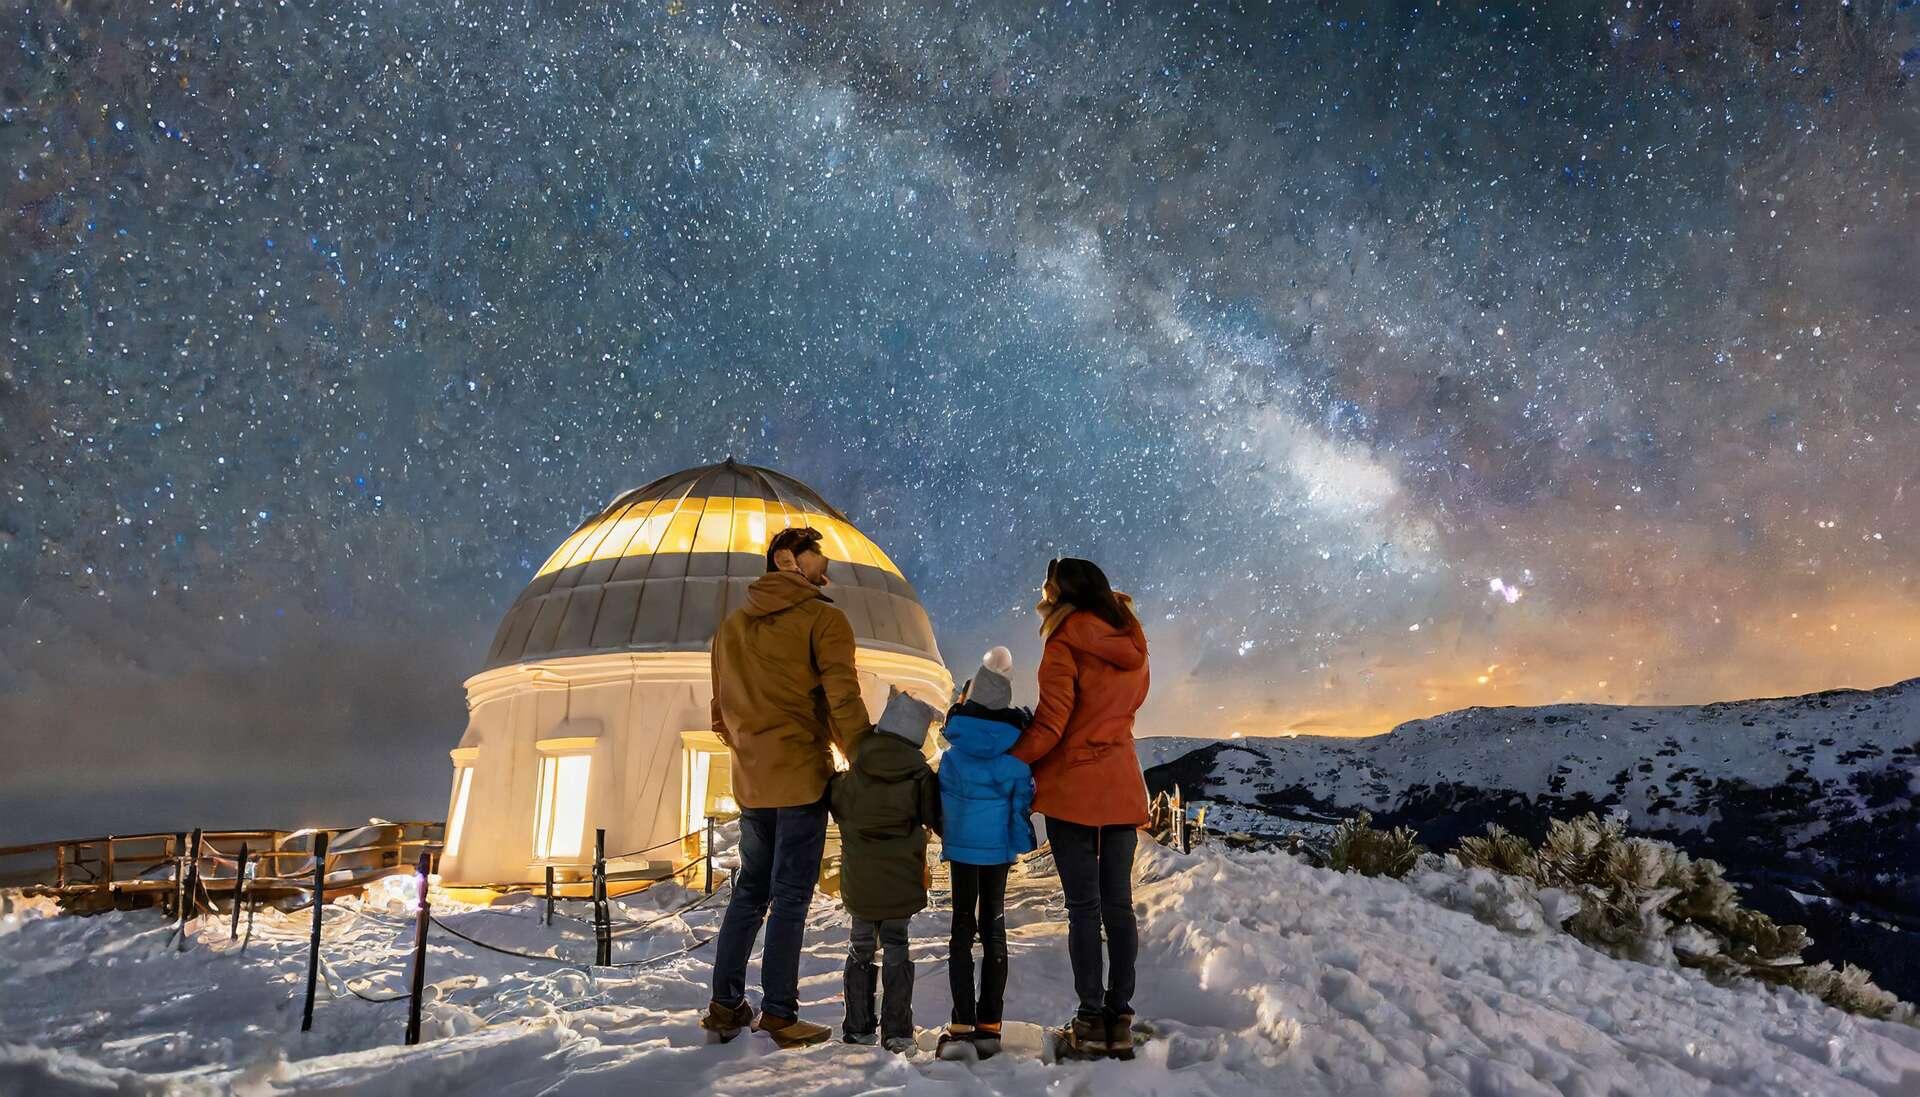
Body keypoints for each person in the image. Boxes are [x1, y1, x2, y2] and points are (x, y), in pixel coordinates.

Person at [701, 526, 872, 1049]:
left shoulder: (729, 627)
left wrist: (751, 754)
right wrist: (868, 761)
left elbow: (719, 714)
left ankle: (725, 1006)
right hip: (800, 778)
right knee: (792, 895)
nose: (827, 565)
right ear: (786, 559)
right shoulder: (823, 618)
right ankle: (779, 1013)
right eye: (818, 555)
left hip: (752, 783)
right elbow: (842, 699)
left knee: (750, 892)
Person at [1009, 557, 1151, 1061]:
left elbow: (1051, 724)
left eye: (1045, 586)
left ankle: (1091, 1020)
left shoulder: (1063, 641)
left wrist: (1008, 762)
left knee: (1084, 908)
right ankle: (1122, 1019)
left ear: (1063, 592)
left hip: (1073, 785)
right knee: (1119, 905)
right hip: (1120, 782)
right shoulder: (1131, 641)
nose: (1040, 595)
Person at [934, 645, 1037, 1062]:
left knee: (961, 929)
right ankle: (990, 1024)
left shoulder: (952, 759)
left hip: (961, 851)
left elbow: (944, 806)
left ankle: (960, 1022)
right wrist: (1015, 843)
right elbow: (1021, 806)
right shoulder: (1015, 761)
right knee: (993, 927)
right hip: (995, 854)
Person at [828, 687, 943, 1053]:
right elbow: (937, 818)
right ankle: (897, 1032)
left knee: (860, 948)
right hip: (900, 881)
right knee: (897, 949)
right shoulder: (920, 776)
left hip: (860, 881)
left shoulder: (856, 771)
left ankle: (858, 1028)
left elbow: (835, 802)